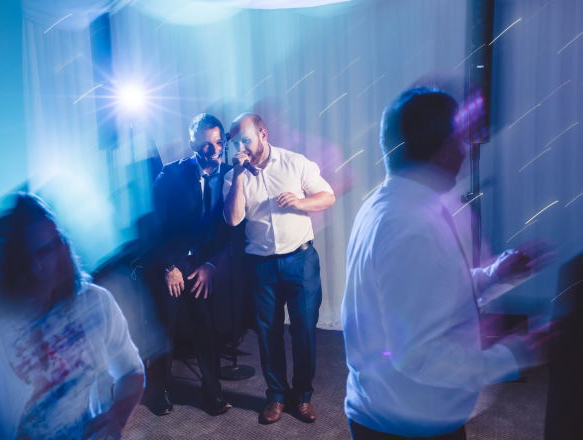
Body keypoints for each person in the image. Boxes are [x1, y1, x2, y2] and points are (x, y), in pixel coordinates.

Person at [341, 87, 552, 439]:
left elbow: (432, 291)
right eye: (461, 140)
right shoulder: (410, 226)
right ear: (443, 150)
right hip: (406, 427)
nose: (466, 151)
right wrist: (517, 353)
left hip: (398, 414)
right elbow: (420, 356)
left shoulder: (394, 204)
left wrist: (495, 275)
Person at [0, 193, 144, 440]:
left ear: (62, 247)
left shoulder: (96, 301)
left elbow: (131, 371)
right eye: (22, 258)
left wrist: (117, 415)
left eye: (46, 250)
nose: (35, 267)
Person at [223, 113, 336, 424]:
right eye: (236, 143)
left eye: (246, 140)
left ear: (263, 134)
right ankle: (276, 396)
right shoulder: (234, 176)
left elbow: (327, 196)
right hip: (261, 265)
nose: (241, 147)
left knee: (304, 331)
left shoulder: (294, 163)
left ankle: (303, 396)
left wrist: (300, 203)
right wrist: (239, 175)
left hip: (300, 261)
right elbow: (233, 219)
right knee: (268, 332)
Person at [147, 113, 232, 416]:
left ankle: (212, 392)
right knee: (165, 329)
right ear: (193, 143)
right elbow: (154, 226)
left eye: (218, 143)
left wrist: (210, 264)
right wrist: (169, 267)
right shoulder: (170, 175)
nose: (214, 150)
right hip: (171, 264)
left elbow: (228, 229)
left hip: (202, 265)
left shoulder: (230, 176)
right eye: (206, 144)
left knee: (206, 327)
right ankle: (158, 391)